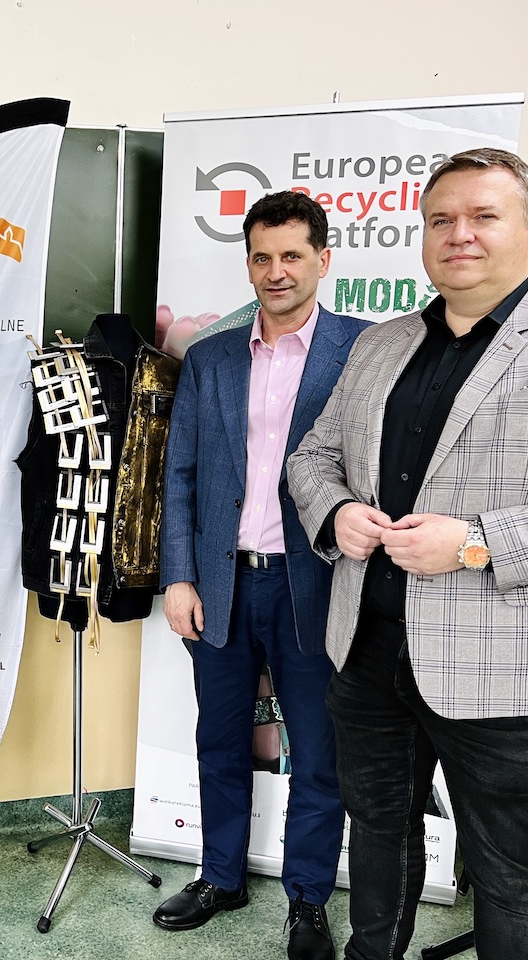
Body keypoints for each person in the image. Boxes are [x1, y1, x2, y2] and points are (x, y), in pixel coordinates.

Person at [288, 148, 528, 960]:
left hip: (509, 664)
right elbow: (313, 455)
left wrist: (476, 543)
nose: (459, 234)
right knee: (378, 837)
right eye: (441, 219)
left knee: (511, 876)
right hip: (369, 647)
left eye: (483, 216)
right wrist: (335, 511)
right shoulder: (382, 342)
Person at [157, 191, 368, 959]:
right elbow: (181, 474)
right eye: (262, 257)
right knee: (219, 738)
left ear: (323, 259)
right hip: (221, 585)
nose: (276, 271)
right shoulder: (211, 358)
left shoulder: (364, 350)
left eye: (292, 256)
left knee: (317, 751)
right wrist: (179, 577)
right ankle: (220, 876)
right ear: (248, 263)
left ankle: (307, 899)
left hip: (314, 583)